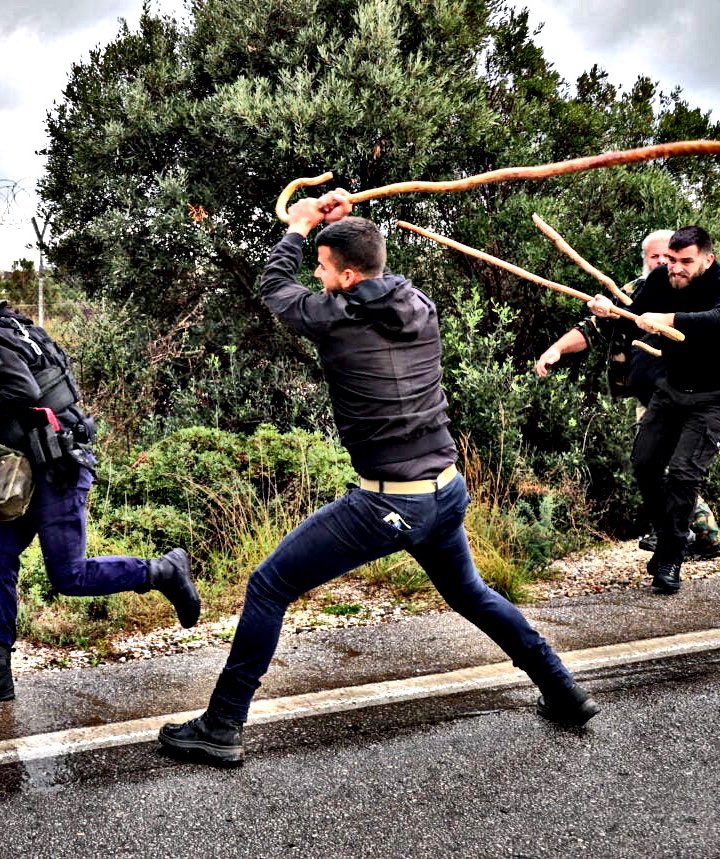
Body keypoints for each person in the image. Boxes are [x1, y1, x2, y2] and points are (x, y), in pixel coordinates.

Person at [158, 191, 600, 766]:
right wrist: (340, 226)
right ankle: (562, 689)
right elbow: (372, 273)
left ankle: (220, 726)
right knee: (470, 592)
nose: (315, 277)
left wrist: (298, 227)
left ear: (343, 275)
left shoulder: (337, 319)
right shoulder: (419, 304)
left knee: (268, 586)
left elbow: (273, 288)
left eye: (321, 268)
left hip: (391, 504)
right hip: (445, 489)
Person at [0, 293, 201, 701]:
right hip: (33, 464)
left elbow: (21, 389)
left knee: (69, 576)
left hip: (59, 466)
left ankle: (163, 570)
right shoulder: (2, 332)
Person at [534, 230, 720, 559]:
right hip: (650, 399)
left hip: (693, 397)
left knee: (673, 468)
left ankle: (698, 536)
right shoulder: (634, 292)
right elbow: (593, 328)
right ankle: (686, 535)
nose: (664, 263)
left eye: (670, 257)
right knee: (654, 465)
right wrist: (557, 349)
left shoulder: (698, 291)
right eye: (656, 257)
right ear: (645, 260)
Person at [586, 226, 720, 594]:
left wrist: (669, 319)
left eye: (685, 262)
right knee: (644, 463)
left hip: (715, 396)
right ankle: (671, 532)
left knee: (685, 475)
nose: (676, 268)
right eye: (671, 260)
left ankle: (671, 555)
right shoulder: (661, 277)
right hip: (672, 390)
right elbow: (635, 313)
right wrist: (608, 311)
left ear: (708, 258)